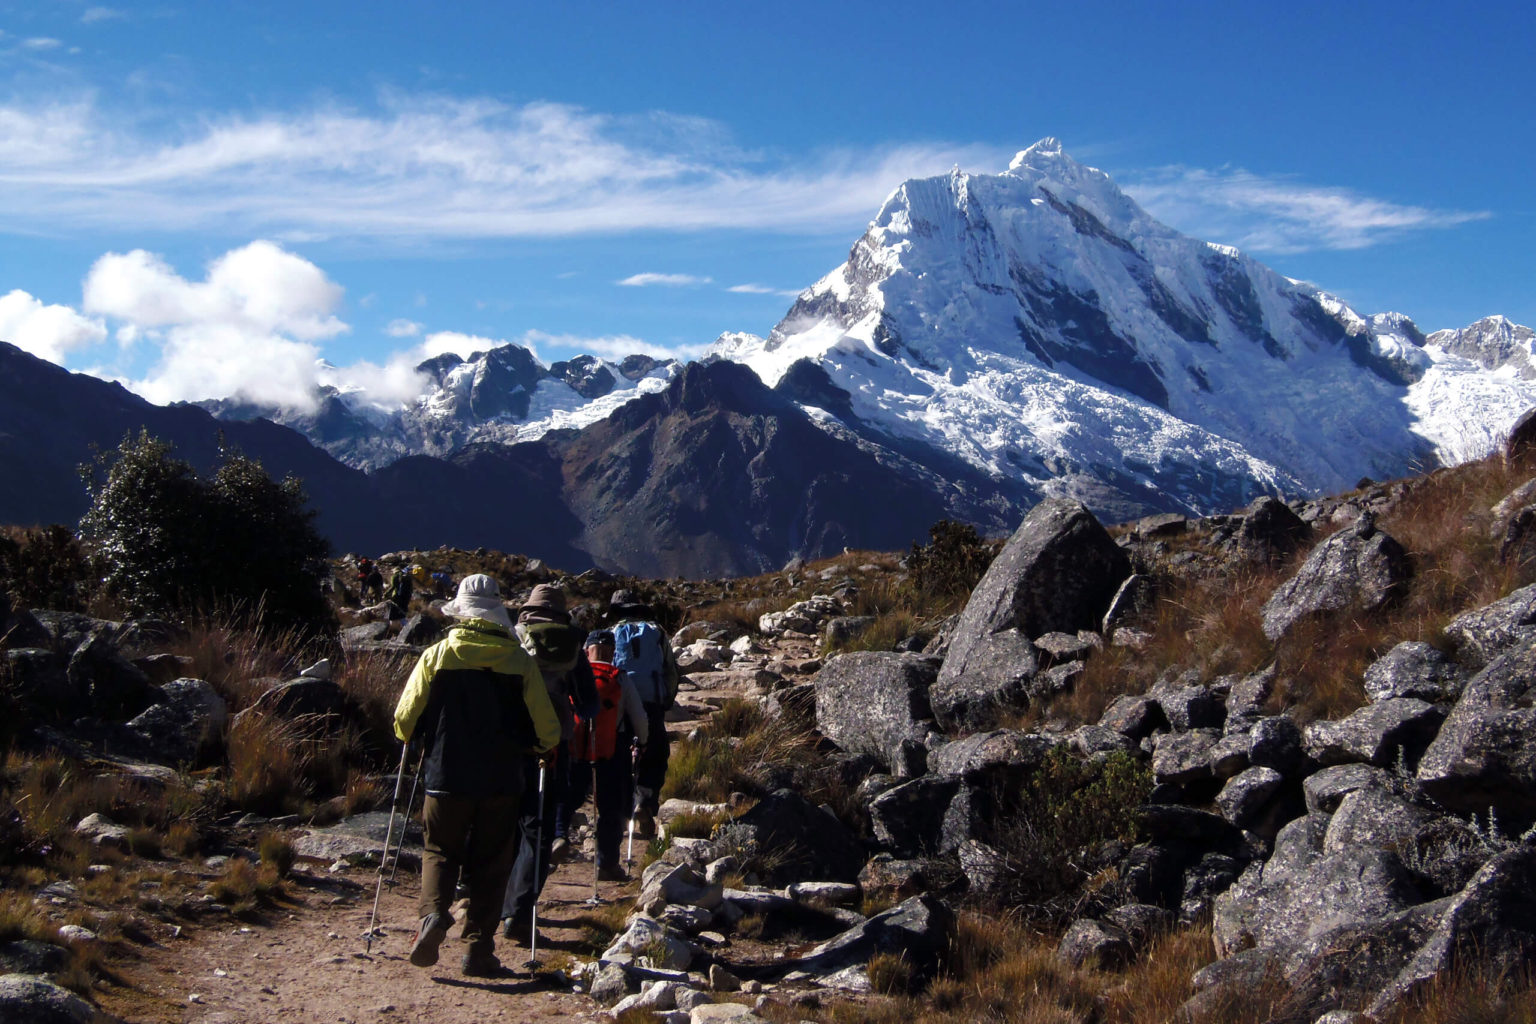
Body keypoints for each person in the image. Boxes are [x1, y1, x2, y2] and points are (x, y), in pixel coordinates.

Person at [392, 574, 559, 978]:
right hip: (502, 781)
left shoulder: (437, 656)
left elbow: (403, 721)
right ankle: (478, 950)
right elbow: (547, 730)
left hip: (444, 776)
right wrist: (540, 747)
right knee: (492, 862)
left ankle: (433, 915)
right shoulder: (520, 662)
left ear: (461, 612)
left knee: (439, 850)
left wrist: (415, 736)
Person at [500, 584, 600, 941]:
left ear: (527, 609)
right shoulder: (571, 646)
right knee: (538, 829)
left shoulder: (512, 637)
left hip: (507, 745)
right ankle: (519, 913)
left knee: (504, 824)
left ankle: (490, 901)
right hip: (553, 747)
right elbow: (590, 703)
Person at [563, 629, 648, 880]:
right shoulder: (620, 678)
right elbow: (639, 718)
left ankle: (554, 841)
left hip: (575, 748)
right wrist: (643, 742)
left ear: (586, 650)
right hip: (611, 748)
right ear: (613, 652)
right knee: (611, 808)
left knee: (567, 800)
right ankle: (607, 864)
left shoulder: (573, 675)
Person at [607, 590, 680, 834]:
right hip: (651, 701)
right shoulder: (656, 632)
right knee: (656, 753)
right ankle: (645, 802)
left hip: (618, 702)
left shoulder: (609, 634)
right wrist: (665, 701)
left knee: (619, 754)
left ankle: (619, 810)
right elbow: (670, 671)